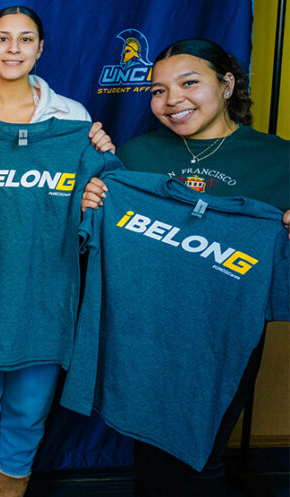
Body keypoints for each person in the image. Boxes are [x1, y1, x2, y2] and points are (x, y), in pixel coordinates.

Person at [82, 38, 290, 497]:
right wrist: (93, 201)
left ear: (228, 83)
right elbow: (94, 241)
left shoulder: (280, 160)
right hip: (142, 335)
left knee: (197, 462)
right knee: (151, 456)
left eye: (188, 83)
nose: (171, 99)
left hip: (221, 337)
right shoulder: (134, 158)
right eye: (157, 90)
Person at [0, 5, 115, 497]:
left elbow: (95, 203)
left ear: (40, 47)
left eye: (25, 38)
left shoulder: (73, 120)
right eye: (2, 38)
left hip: (45, 293)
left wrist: (97, 173)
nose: (13, 49)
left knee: (28, 412)